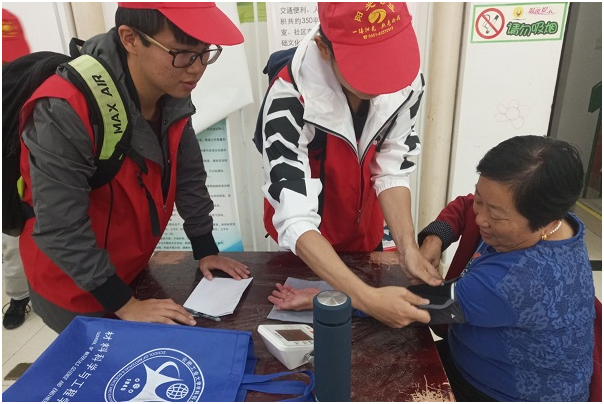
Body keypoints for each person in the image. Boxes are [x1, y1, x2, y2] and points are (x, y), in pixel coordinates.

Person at [270, 135, 595, 401]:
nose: (481, 218)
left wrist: (331, 297)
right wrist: (434, 240)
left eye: (495, 215)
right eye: (481, 199)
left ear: (545, 221)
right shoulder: (558, 224)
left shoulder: (518, 281)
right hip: (472, 357)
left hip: (492, 391)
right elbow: (464, 208)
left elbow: (412, 306)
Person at [18, 2, 249, 333]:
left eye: (204, 53)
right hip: (74, 287)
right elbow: (60, 226)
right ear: (130, 38)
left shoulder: (171, 86)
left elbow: (188, 173)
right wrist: (124, 304)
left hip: (129, 272)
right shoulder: (65, 107)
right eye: (183, 53)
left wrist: (205, 248)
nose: (197, 69)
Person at [260, 2, 441, 328]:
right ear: (323, 48)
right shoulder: (289, 97)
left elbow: (392, 166)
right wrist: (365, 299)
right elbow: (294, 215)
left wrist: (407, 249)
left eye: (387, 59)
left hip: (364, 230)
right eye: (365, 68)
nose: (382, 80)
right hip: (308, 242)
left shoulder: (405, 81)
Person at [2, 8, 32, 330]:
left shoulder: (23, 80)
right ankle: (19, 296)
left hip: (23, 172)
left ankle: (29, 292)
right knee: (9, 247)